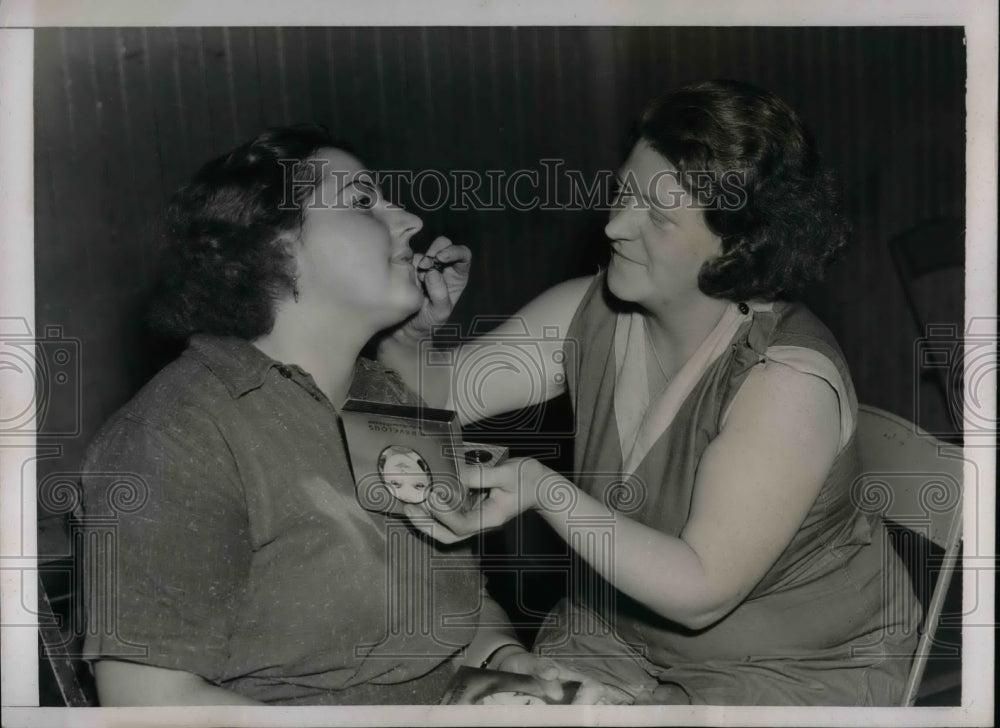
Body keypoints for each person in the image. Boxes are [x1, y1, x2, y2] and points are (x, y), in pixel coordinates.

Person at [380, 80, 922, 705]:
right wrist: (411, 330)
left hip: (792, 669)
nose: (613, 226)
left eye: (657, 217)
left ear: (739, 246)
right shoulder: (592, 311)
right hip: (623, 637)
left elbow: (699, 591)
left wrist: (541, 487)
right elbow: (442, 394)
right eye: (623, 193)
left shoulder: (787, 382)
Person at [79, 124, 586, 705]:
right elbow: (146, 702)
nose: (410, 221)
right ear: (276, 247)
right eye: (363, 201)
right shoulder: (177, 432)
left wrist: (506, 660)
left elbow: (456, 612)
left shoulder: (396, 403)